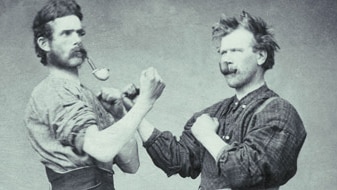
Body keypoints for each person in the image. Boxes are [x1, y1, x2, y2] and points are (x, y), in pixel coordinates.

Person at [136, 11, 307, 190]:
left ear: (261, 56)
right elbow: (177, 161)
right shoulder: (210, 115)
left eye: (235, 51)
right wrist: (133, 113)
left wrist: (208, 136)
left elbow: (248, 175)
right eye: (223, 52)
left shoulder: (279, 112)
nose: (225, 59)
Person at [24, 0, 165, 189]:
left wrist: (119, 114)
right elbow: (102, 149)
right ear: (44, 43)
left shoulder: (85, 95)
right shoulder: (53, 91)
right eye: (66, 33)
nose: (77, 40)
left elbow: (131, 165)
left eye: (79, 33)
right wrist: (145, 103)